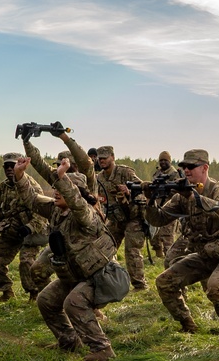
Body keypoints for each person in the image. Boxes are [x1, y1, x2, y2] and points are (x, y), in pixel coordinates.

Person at [12, 156, 119, 361]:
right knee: (46, 300)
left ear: (75, 193)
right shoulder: (56, 210)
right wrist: (20, 175)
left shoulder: (87, 215)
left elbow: (79, 206)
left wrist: (63, 178)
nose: (56, 191)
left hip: (100, 277)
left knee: (74, 302)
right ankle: (69, 341)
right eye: (56, 187)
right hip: (75, 275)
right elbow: (32, 199)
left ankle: (102, 349)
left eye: (63, 187)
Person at [146, 149, 219, 337]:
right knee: (164, 282)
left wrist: (193, 196)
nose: (186, 170)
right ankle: (188, 325)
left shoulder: (218, 190)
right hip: (204, 255)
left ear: (204, 167)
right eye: (183, 166)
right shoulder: (181, 196)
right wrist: (149, 200)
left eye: (191, 166)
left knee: (214, 287)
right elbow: (159, 219)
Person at [19, 124, 97, 290]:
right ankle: (54, 297)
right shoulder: (58, 180)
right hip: (64, 238)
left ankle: (90, 304)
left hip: (87, 244)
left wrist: (64, 137)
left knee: (88, 279)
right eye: (59, 165)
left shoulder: (87, 181)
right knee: (38, 271)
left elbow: (86, 163)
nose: (63, 169)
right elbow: (40, 165)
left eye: (68, 165)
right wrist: (26, 141)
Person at [0, 152, 49, 302]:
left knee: (26, 262)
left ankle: (35, 294)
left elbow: (41, 213)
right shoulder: (2, 187)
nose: (9, 169)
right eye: (6, 166)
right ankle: (6, 292)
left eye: (12, 165)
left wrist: (29, 228)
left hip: (30, 234)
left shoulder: (32, 186)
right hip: (11, 231)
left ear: (20, 167)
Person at [95, 145, 148, 290]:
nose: (102, 161)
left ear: (112, 157)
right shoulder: (99, 178)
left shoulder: (125, 172)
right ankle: (109, 281)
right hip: (114, 219)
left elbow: (143, 191)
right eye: (100, 159)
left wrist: (129, 191)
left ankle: (139, 285)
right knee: (105, 248)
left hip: (133, 218)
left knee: (132, 251)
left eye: (105, 158)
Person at [149, 151, 183, 258]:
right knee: (154, 232)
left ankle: (169, 255)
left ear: (170, 161)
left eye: (165, 160)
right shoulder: (157, 174)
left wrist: (169, 190)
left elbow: (179, 191)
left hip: (169, 206)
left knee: (167, 233)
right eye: (161, 160)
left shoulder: (174, 174)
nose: (163, 162)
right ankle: (158, 252)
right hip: (157, 204)